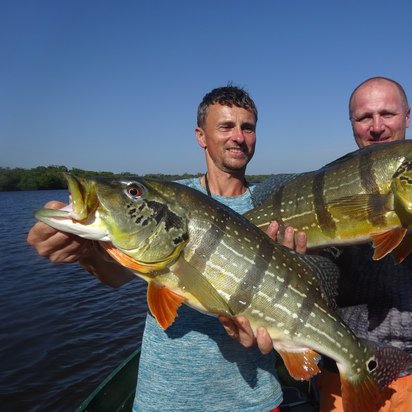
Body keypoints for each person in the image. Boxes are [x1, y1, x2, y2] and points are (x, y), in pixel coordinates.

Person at [235, 77, 412, 411]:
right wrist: (297, 256)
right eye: (365, 117)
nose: (377, 126)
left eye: (387, 114)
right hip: (342, 366)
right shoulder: (331, 178)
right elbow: (322, 277)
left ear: (407, 116)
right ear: (353, 124)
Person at [27, 85, 306, 412]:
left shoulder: (277, 209)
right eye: (226, 126)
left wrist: (297, 266)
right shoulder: (169, 199)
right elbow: (116, 275)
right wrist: (85, 252)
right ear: (201, 136)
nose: (238, 137)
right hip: (164, 398)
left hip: (253, 399)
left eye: (247, 127)